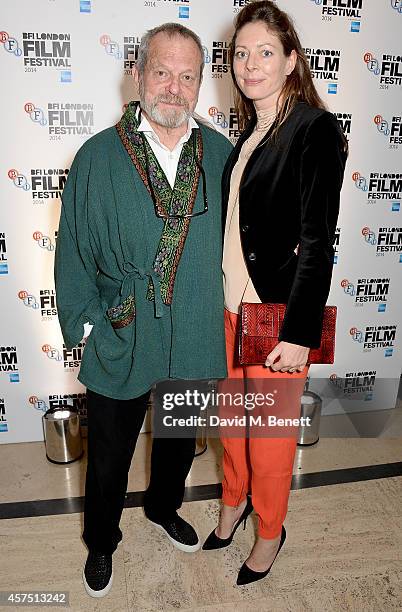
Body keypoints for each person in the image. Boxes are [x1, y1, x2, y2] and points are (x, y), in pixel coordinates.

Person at [54, 22, 232, 598]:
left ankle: (163, 508)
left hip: (197, 327)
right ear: (137, 74)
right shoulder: (97, 156)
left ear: (201, 83)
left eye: (187, 76)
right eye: (162, 71)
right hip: (122, 329)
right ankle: (102, 541)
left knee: (179, 442)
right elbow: (73, 248)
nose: (173, 88)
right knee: (108, 454)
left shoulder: (224, 157)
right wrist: (87, 322)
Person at [202, 0, 347, 586]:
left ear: (291, 60)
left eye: (266, 52)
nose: (251, 63)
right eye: (242, 53)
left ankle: (269, 531)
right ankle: (232, 504)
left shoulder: (313, 129)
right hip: (232, 310)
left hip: (276, 316)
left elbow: (318, 243)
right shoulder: (250, 134)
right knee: (232, 426)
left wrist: (298, 333)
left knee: (269, 439)